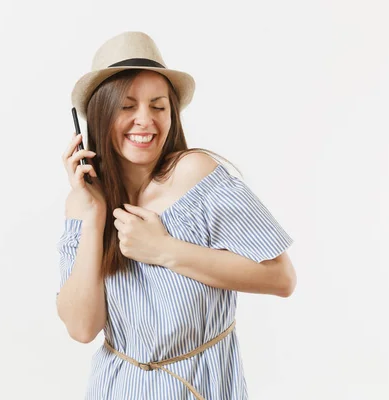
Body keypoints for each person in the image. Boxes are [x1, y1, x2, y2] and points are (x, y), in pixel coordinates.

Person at [57, 31, 296, 400]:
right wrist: (92, 217)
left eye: (158, 106)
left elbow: (281, 278)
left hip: (199, 387)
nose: (145, 120)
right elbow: (82, 328)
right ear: (101, 114)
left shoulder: (194, 174)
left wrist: (163, 250)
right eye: (126, 106)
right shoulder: (84, 203)